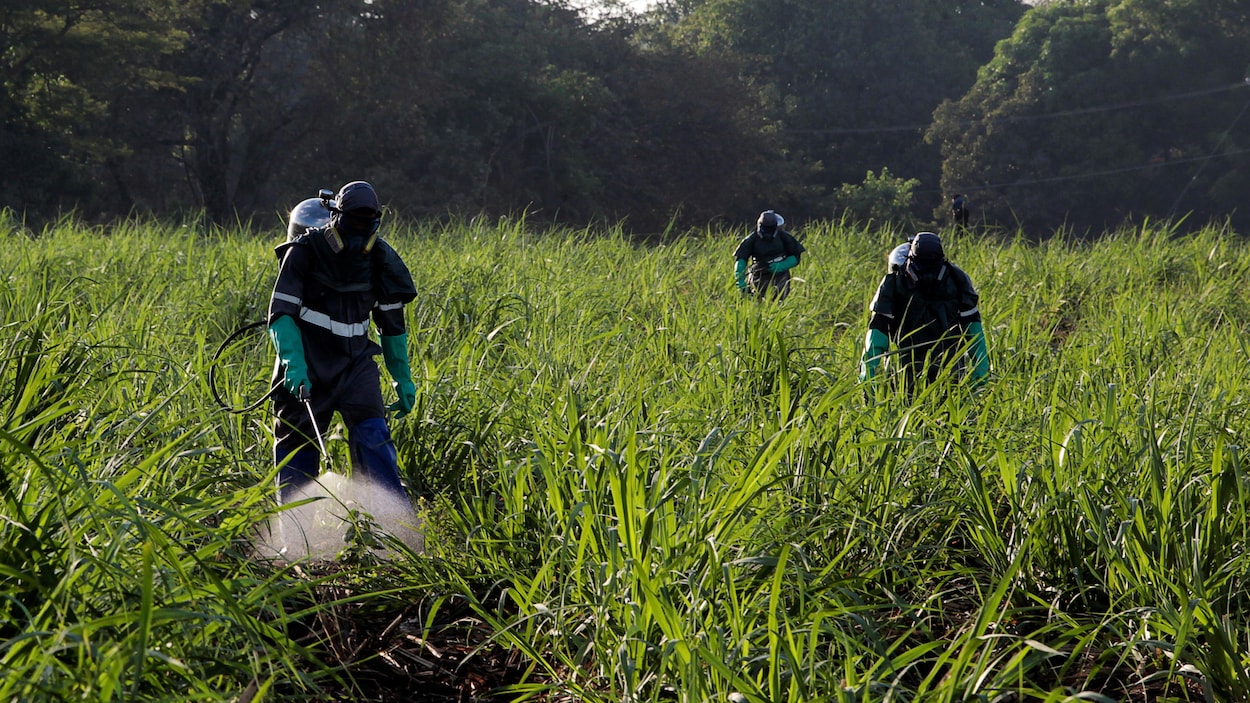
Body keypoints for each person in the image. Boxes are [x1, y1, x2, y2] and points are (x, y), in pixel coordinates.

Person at [267, 181, 418, 503]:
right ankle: (295, 537)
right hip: (308, 362)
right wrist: (293, 363)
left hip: (356, 365)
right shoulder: (303, 252)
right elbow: (281, 314)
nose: (358, 235)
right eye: (352, 223)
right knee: (297, 441)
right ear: (335, 217)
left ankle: (388, 529)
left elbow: (391, 326)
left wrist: (402, 377)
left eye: (368, 225)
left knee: (373, 436)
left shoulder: (382, 260)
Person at [859, 232, 989, 392]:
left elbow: (972, 326)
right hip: (918, 370)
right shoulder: (955, 278)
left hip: (932, 370)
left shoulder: (956, 280)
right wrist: (981, 371)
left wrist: (868, 375)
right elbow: (878, 328)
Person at [733, 210, 806, 300]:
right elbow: (741, 260)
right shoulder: (751, 239)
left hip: (780, 276)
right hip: (758, 276)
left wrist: (782, 266)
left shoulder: (784, 237)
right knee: (757, 301)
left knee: (778, 301)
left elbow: (796, 256)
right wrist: (741, 282)